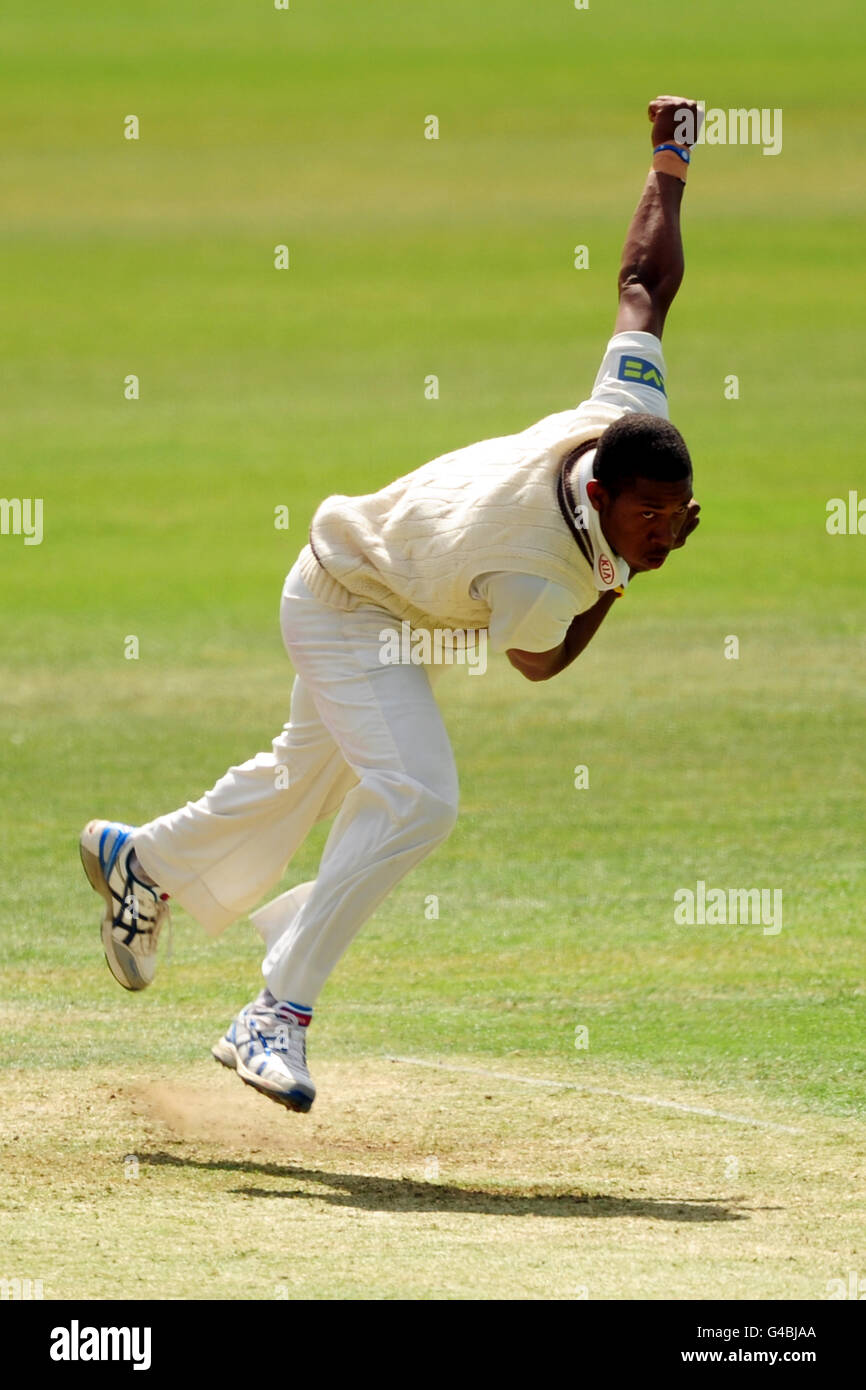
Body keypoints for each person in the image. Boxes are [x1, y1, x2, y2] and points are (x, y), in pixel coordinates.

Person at [80, 94, 702, 1115]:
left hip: (370, 584)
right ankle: (274, 1010)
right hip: (345, 606)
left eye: (676, 513)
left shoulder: (623, 414)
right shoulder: (535, 570)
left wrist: (668, 163)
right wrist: (621, 580)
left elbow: (642, 284)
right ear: (595, 494)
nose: (663, 528)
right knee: (418, 795)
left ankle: (138, 859)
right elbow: (536, 663)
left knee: (297, 784)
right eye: (646, 519)